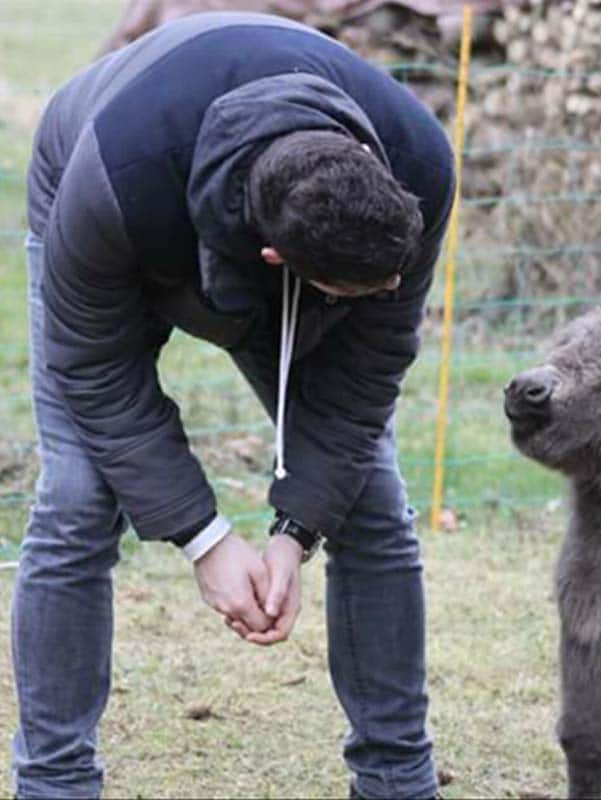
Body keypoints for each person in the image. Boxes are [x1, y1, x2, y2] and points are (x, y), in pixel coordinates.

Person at [11, 11, 455, 800]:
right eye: (369, 290)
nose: (394, 294)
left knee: (372, 498)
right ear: (282, 264)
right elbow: (97, 375)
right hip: (107, 199)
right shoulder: (118, 178)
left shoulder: (415, 164)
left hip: (267, 230)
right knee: (79, 496)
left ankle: (397, 781)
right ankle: (55, 782)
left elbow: (366, 378)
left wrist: (295, 533)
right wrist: (205, 540)